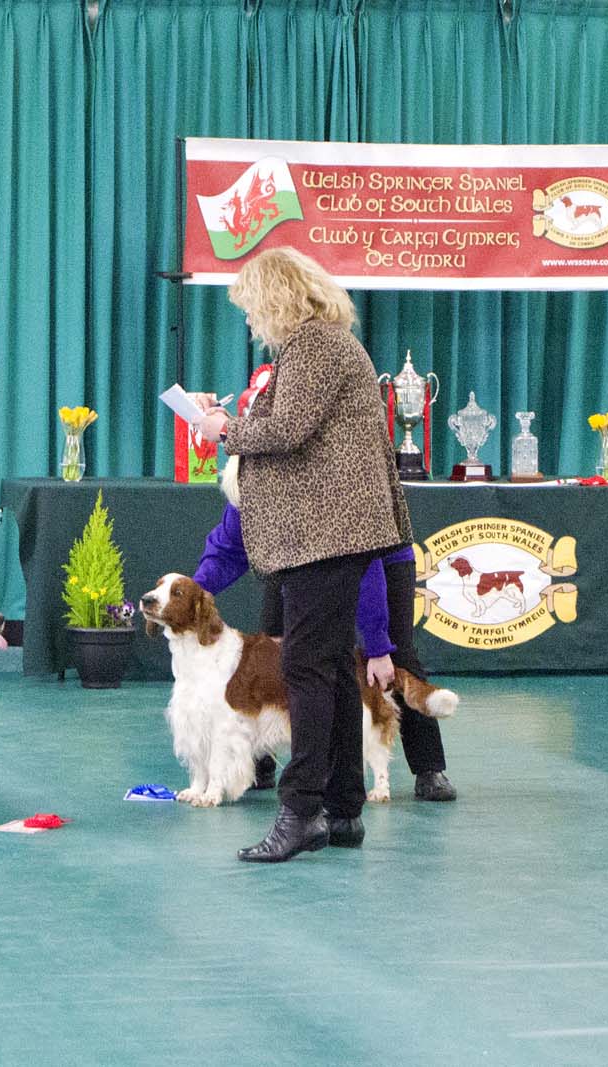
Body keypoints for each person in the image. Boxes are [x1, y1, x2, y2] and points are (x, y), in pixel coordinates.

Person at [197, 248, 411, 862]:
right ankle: (342, 809)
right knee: (334, 669)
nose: (248, 319)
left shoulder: (314, 345)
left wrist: (224, 431)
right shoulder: (325, 344)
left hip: (324, 534)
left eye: (250, 306)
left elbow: (288, 430)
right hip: (331, 533)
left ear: (276, 297)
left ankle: (301, 812)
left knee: (306, 670)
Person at [193, 369, 456, 802]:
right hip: (296, 559)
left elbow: (363, 564)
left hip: (377, 555)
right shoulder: (247, 481)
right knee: (276, 648)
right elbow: (227, 548)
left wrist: (377, 645)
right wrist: (194, 592)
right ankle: (260, 759)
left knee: (394, 655)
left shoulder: (315, 475)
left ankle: (429, 768)